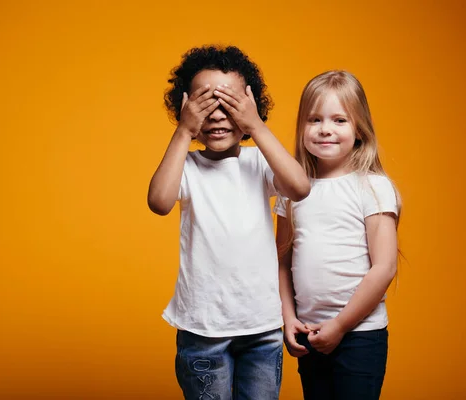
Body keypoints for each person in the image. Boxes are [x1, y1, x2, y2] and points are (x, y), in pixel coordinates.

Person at [147, 45, 310, 399]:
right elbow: (159, 202)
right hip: (203, 328)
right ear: (185, 109)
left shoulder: (259, 163)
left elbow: (299, 187)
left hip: (262, 327)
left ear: (251, 108)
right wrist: (183, 131)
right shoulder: (187, 167)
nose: (218, 115)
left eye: (229, 104)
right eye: (205, 105)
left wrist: (257, 126)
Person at [275, 70, 401, 400]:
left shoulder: (372, 187)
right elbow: (281, 263)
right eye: (314, 119)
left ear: (359, 129)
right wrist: (288, 319)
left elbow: (384, 267)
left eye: (339, 120)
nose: (325, 129)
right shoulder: (291, 190)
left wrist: (341, 326)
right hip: (309, 333)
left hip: (359, 334)